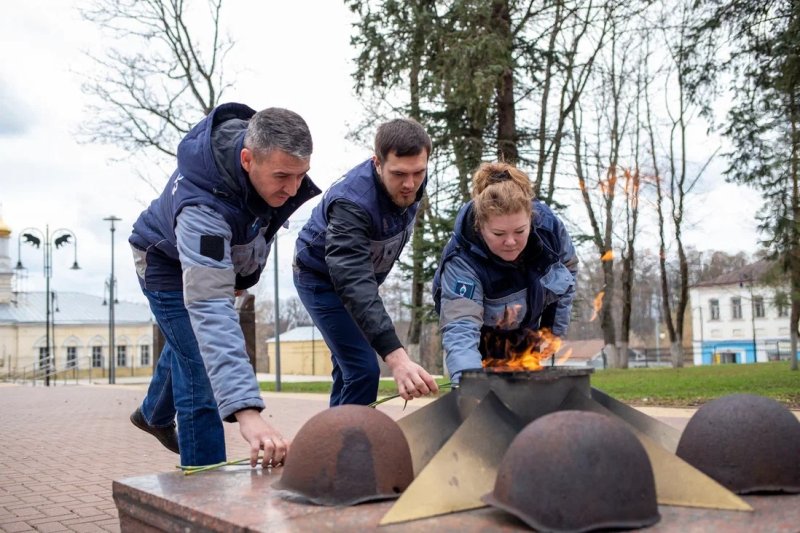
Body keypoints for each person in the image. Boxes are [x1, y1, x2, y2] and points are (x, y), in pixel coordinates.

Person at [128, 103, 320, 468]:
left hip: (215, 259)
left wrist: (242, 277)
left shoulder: (269, 169)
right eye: (283, 176)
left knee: (188, 341)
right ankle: (204, 485)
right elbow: (210, 307)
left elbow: (258, 227)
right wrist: (247, 411)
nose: (294, 188)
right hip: (162, 262)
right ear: (247, 160)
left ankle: (152, 412)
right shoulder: (203, 209)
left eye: (301, 175)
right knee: (198, 367)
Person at [293, 118, 439, 406]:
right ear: (377, 162)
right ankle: (349, 447)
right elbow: (352, 278)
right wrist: (397, 358)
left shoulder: (411, 181)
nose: (409, 184)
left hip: (362, 279)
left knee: (350, 370)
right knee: (363, 370)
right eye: (398, 174)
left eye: (418, 172)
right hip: (320, 279)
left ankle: (331, 445)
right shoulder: (352, 203)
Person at [432, 162, 578, 383]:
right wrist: (469, 386)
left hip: (526, 330)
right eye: (499, 233)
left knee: (523, 400)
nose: (511, 242)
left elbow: (568, 272)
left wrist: (553, 332)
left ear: (531, 219)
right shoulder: (462, 260)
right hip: (481, 340)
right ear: (480, 226)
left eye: (520, 231)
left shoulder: (551, 232)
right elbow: (460, 328)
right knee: (486, 401)